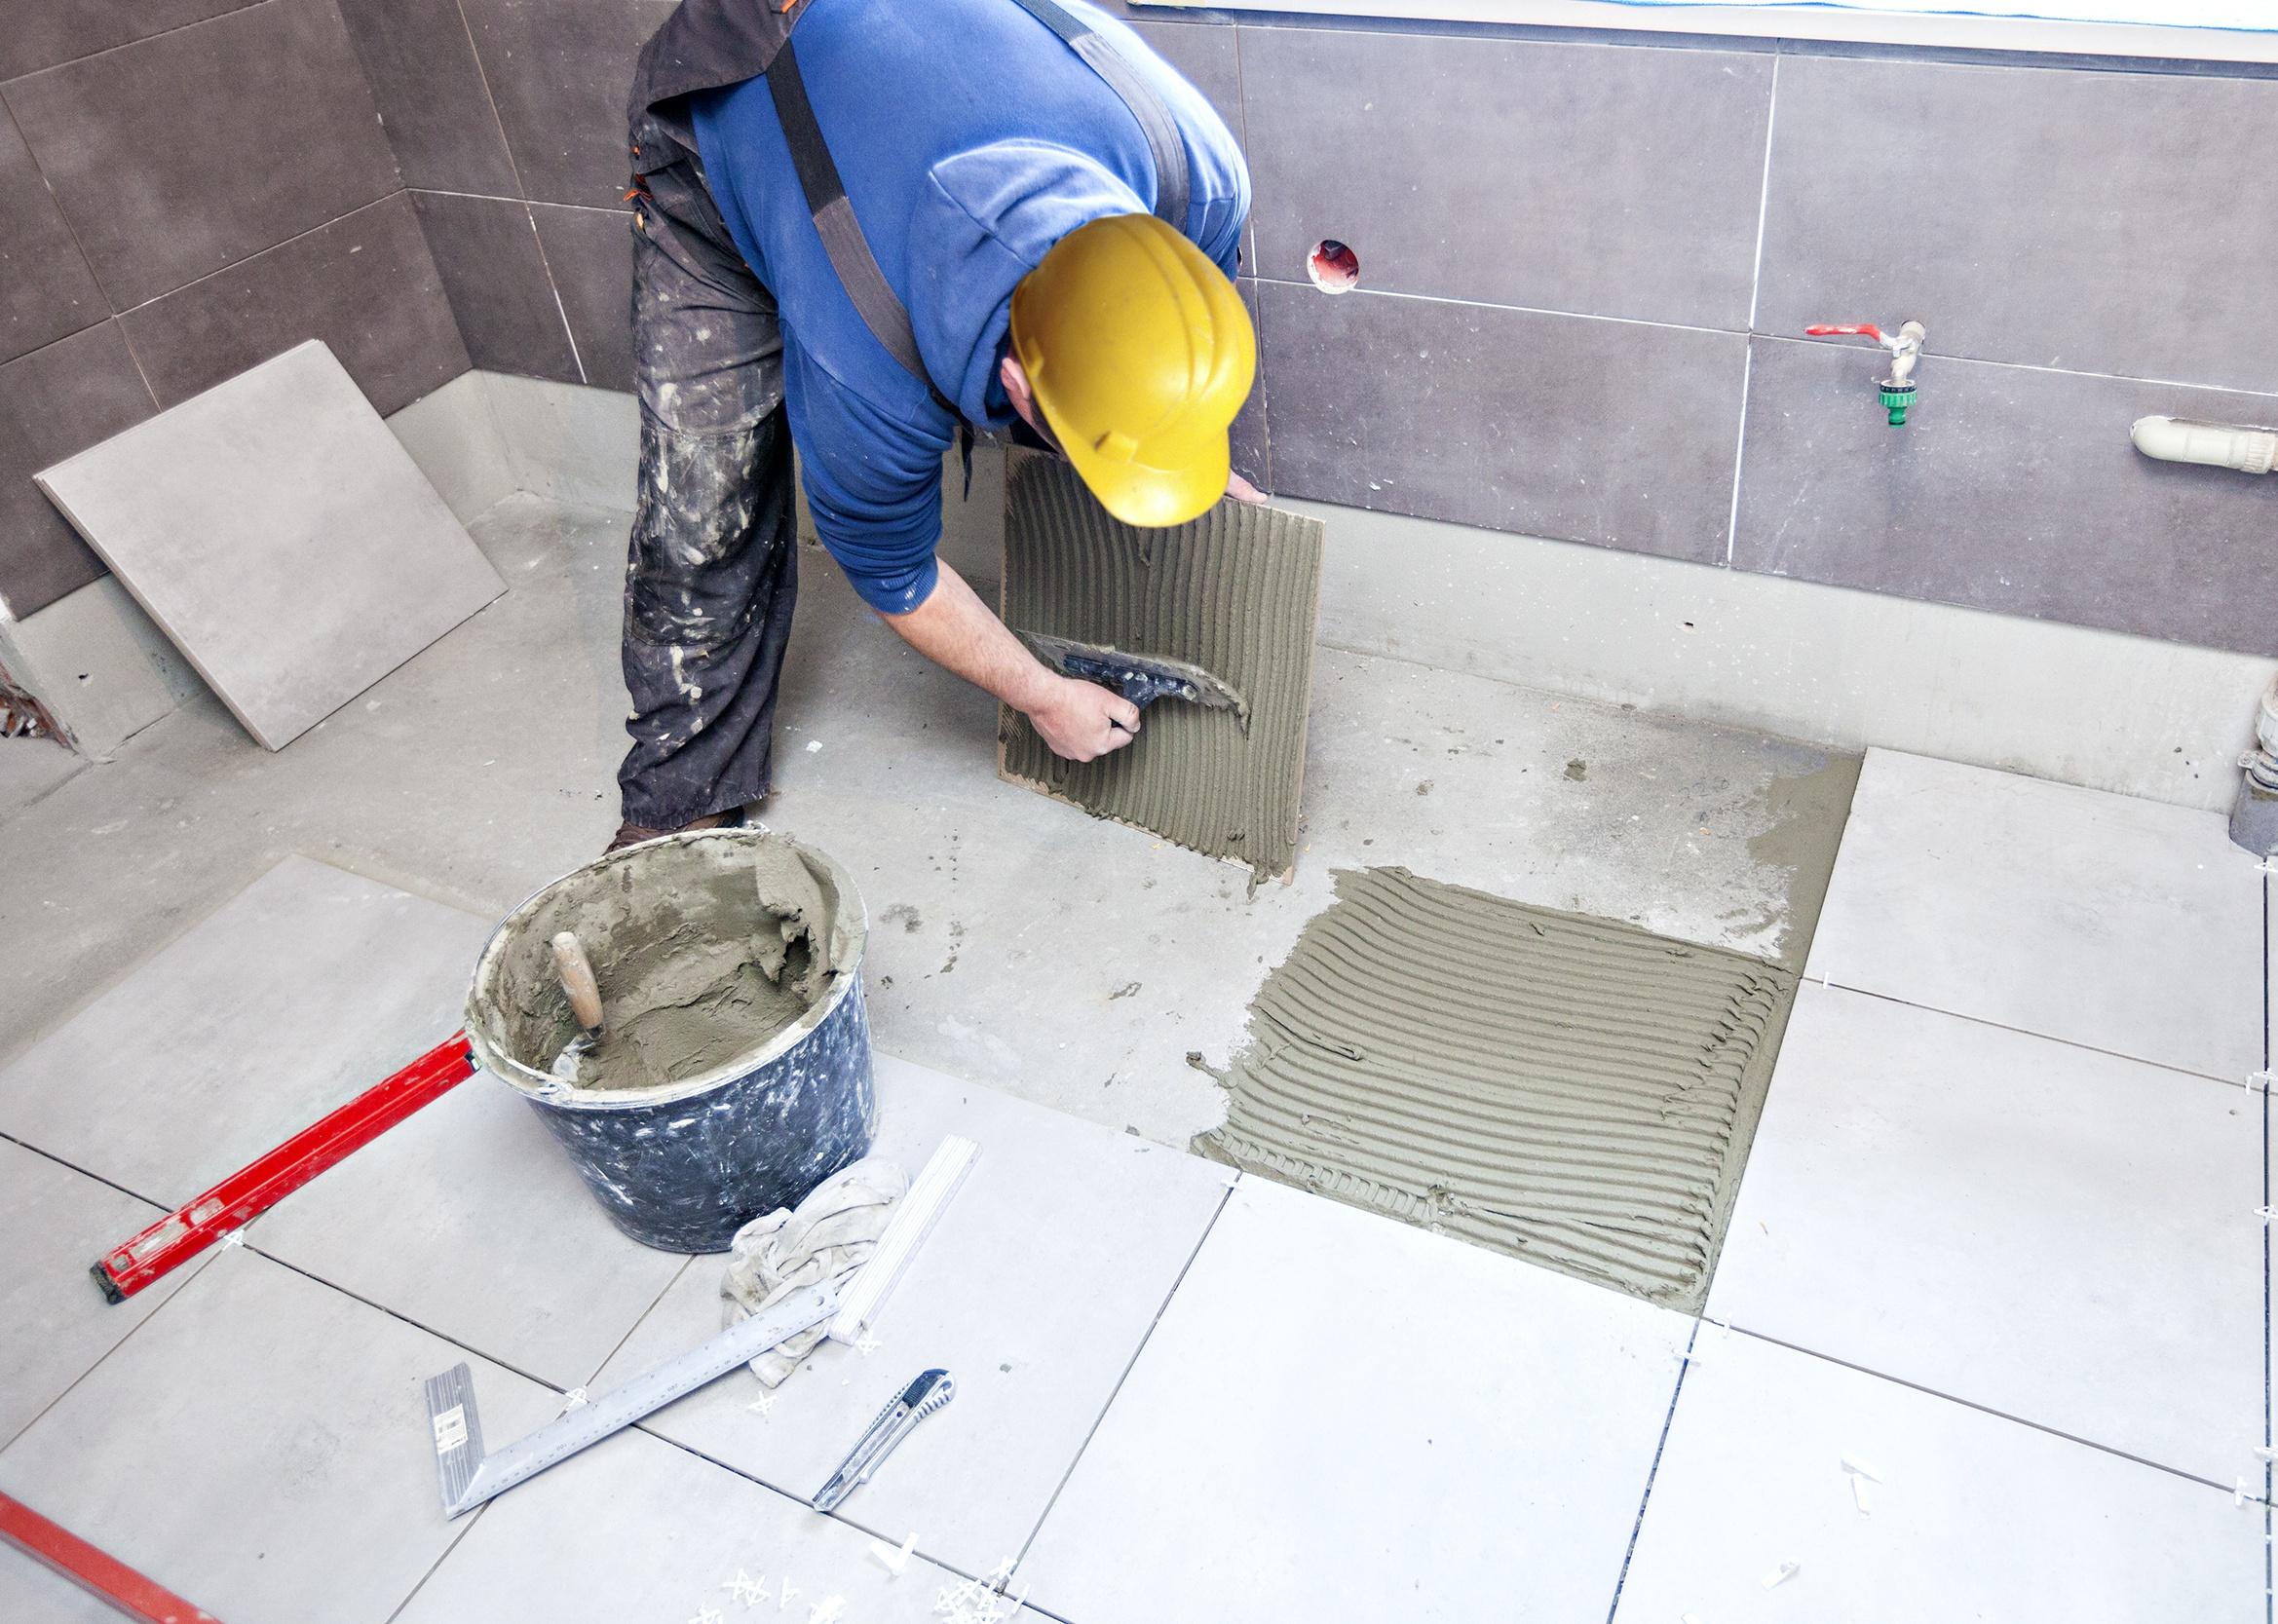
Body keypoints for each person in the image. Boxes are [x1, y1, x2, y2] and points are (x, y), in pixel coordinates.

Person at [612, 0, 1257, 850]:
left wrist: (1186, 445)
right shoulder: (871, 366)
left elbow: (1162, 346)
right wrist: (1041, 695)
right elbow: (892, 571)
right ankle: (680, 802)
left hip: (908, 61)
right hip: (738, 97)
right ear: (1021, 384)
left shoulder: (1197, 175)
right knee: (704, 504)